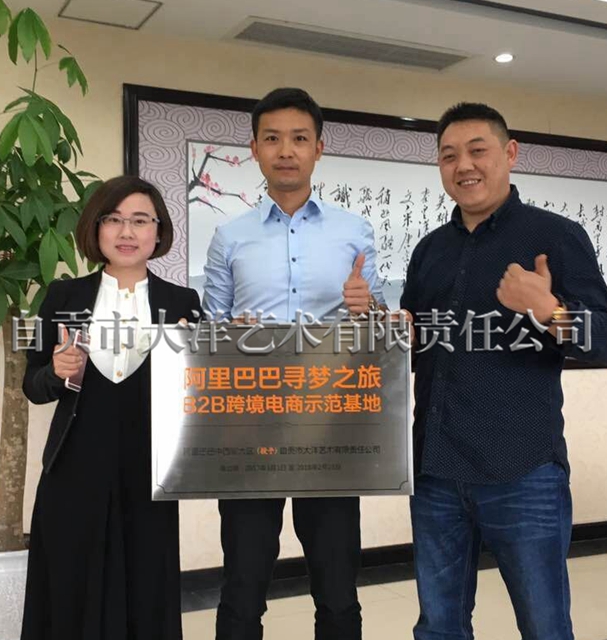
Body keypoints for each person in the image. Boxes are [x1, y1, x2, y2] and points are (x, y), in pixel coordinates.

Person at [400, 102, 607, 640]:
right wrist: (390, 332)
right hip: (436, 468)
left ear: (510, 153)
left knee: (544, 626)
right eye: (449, 155)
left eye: (477, 150)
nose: (464, 166)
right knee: (438, 626)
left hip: (523, 470)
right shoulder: (429, 251)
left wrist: (551, 311)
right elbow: (417, 345)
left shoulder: (555, 237)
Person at [203, 87, 384, 640]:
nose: (286, 150)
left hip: (330, 427)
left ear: (318, 148)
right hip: (249, 428)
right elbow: (208, 334)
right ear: (254, 149)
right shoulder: (229, 236)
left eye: (299, 138)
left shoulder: (354, 231)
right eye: (273, 138)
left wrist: (369, 308)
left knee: (337, 588)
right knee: (242, 585)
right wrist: (226, 335)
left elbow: (381, 333)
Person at [21, 175, 202, 640]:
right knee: (70, 585)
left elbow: (200, 397)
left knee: (145, 586)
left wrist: (191, 362)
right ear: (95, 228)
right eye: (114, 219)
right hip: (74, 468)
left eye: (140, 221)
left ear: (158, 232)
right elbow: (33, 386)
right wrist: (56, 371)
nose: (126, 232)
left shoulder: (181, 302)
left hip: (149, 471)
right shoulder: (64, 297)